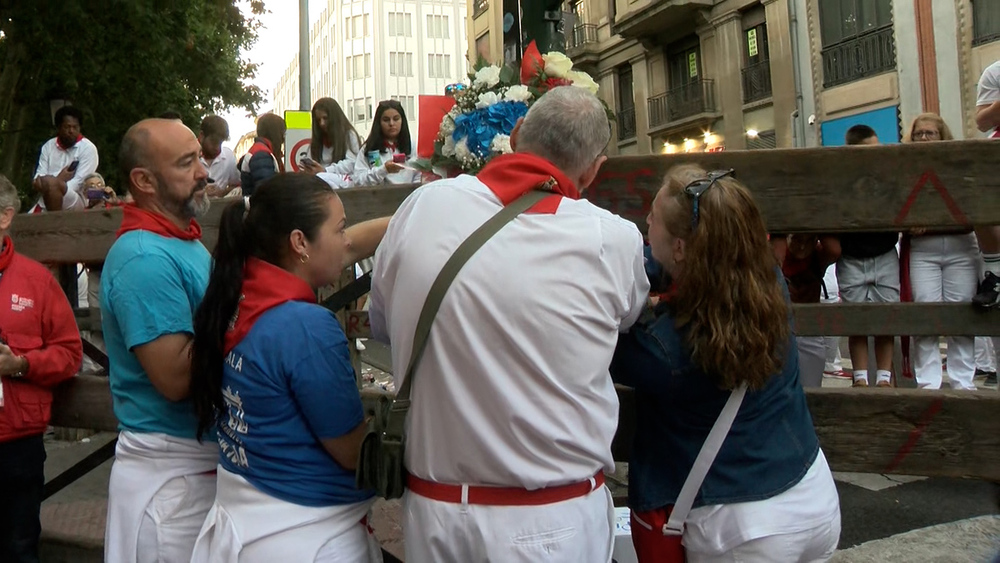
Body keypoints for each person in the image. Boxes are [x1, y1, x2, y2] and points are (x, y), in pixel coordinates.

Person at [370, 86, 649, 561]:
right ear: (594, 169)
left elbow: (382, 325)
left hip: (434, 516)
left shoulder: (422, 207)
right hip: (553, 521)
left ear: (515, 133)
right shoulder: (614, 240)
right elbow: (630, 318)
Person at [611, 165, 840, 563]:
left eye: (653, 217)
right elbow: (661, 264)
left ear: (680, 248)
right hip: (810, 492)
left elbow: (597, 340)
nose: (645, 221)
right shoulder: (767, 279)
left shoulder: (663, 352)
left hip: (741, 530)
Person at [188, 174, 389, 561]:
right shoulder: (305, 327)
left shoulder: (239, 292)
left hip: (251, 516)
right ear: (299, 243)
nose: (347, 241)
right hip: (305, 532)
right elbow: (351, 451)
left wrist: (412, 217)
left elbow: (342, 249)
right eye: (340, 228)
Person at [101, 118, 216, 563]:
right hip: (172, 485)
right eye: (187, 163)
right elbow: (175, 377)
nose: (204, 172)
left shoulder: (178, 242)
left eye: (200, 159)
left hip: (188, 472)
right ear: (143, 181)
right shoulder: (144, 258)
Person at [0, 173, 83, 563]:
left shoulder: (36, 282)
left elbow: (69, 354)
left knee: (19, 547)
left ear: (5, 217)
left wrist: (21, 364)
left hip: (17, 444)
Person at [902, 114, 979, 390]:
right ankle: (928, 383)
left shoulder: (956, 164)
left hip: (960, 247)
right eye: (919, 133)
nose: (923, 138)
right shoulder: (906, 168)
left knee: (962, 313)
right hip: (924, 251)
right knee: (925, 313)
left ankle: (963, 381)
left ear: (942, 136)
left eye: (930, 133)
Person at [838, 124, 899, 387]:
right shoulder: (840, 181)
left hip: (884, 253)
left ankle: (884, 378)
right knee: (856, 320)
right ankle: (860, 378)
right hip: (852, 257)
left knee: (887, 317)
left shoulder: (886, 177)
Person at [772, 233, 841, 387]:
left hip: (809, 334)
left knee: (811, 388)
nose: (802, 246)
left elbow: (834, 250)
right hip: (780, 330)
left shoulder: (817, 258)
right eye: (797, 240)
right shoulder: (777, 256)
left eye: (808, 240)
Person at [31, 105, 100, 212]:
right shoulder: (48, 146)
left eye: (75, 127)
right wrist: (59, 179)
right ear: (59, 127)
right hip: (45, 199)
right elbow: (37, 180)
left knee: (51, 183)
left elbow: (78, 183)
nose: (71, 131)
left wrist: (55, 184)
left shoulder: (88, 148)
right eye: (67, 127)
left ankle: (54, 223)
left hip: (77, 199)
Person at [972, 60, 1000, 308]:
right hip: (995, 154)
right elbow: (981, 122)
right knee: (977, 199)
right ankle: (995, 275)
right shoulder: (995, 72)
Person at [352, 100, 420, 186]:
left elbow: (419, 175)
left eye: (396, 119)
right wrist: (384, 170)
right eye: (386, 120)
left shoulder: (412, 145)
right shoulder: (369, 148)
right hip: (379, 197)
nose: (391, 124)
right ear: (379, 123)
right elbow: (358, 180)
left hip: (410, 196)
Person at [302, 97, 363, 175]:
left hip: (343, 182)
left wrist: (325, 170)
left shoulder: (349, 135)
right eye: (318, 120)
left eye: (325, 118)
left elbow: (351, 163)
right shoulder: (317, 139)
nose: (322, 123)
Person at [239, 113, 285, 196]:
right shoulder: (261, 154)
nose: (283, 138)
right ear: (276, 133)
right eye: (283, 133)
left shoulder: (260, 151)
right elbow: (266, 190)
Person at [199, 115, 242, 199]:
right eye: (214, 142)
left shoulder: (228, 157)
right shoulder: (189, 156)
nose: (217, 147)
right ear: (201, 136)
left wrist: (222, 192)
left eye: (220, 143)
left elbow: (237, 186)